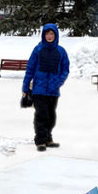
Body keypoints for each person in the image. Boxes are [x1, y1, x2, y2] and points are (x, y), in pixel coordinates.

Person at [22, 22, 69, 151]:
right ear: (43, 35)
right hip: (39, 89)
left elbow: (65, 70)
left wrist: (58, 82)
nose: (49, 36)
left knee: (51, 116)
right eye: (47, 33)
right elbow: (30, 69)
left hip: (53, 91)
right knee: (41, 115)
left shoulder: (61, 51)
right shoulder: (38, 50)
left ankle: (48, 138)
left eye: (52, 34)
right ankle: (41, 140)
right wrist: (25, 87)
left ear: (56, 35)